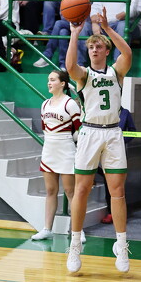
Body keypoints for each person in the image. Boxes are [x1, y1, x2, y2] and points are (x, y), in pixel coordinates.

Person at [65, 12, 132, 273]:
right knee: (81, 190)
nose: (94, 49)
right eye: (91, 47)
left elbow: (127, 53)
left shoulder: (116, 72)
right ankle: (74, 244)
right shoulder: (83, 75)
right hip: (90, 132)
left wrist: (107, 29)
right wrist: (74, 34)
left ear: (106, 50)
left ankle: (122, 244)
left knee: (118, 191)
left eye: (98, 46)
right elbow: (70, 66)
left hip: (113, 133)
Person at [31, 69, 83, 242]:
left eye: (53, 80)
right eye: (48, 79)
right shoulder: (45, 104)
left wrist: (73, 139)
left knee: (70, 191)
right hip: (49, 149)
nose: (49, 82)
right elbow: (44, 128)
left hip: (66, 149)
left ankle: (78, 231)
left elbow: (79, 128)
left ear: (63, 83)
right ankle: (47, 228)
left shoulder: (70, 103)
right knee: (50, 190)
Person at [33, 0, 92, 69]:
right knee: (62, 31)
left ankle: (48, 56)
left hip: (84, 24)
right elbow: (63, 14)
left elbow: (87, 15)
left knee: (59, 25)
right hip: (70, 23)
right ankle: (63, 65)